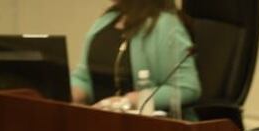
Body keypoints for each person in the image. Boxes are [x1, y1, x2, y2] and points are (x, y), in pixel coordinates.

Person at [70, 0, 201, 116]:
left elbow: (187, 88)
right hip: (101, 124)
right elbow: (83, 78)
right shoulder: (105, 21)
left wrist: (130, 101)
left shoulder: (166, 25)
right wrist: (71, 93)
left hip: (150, 129)